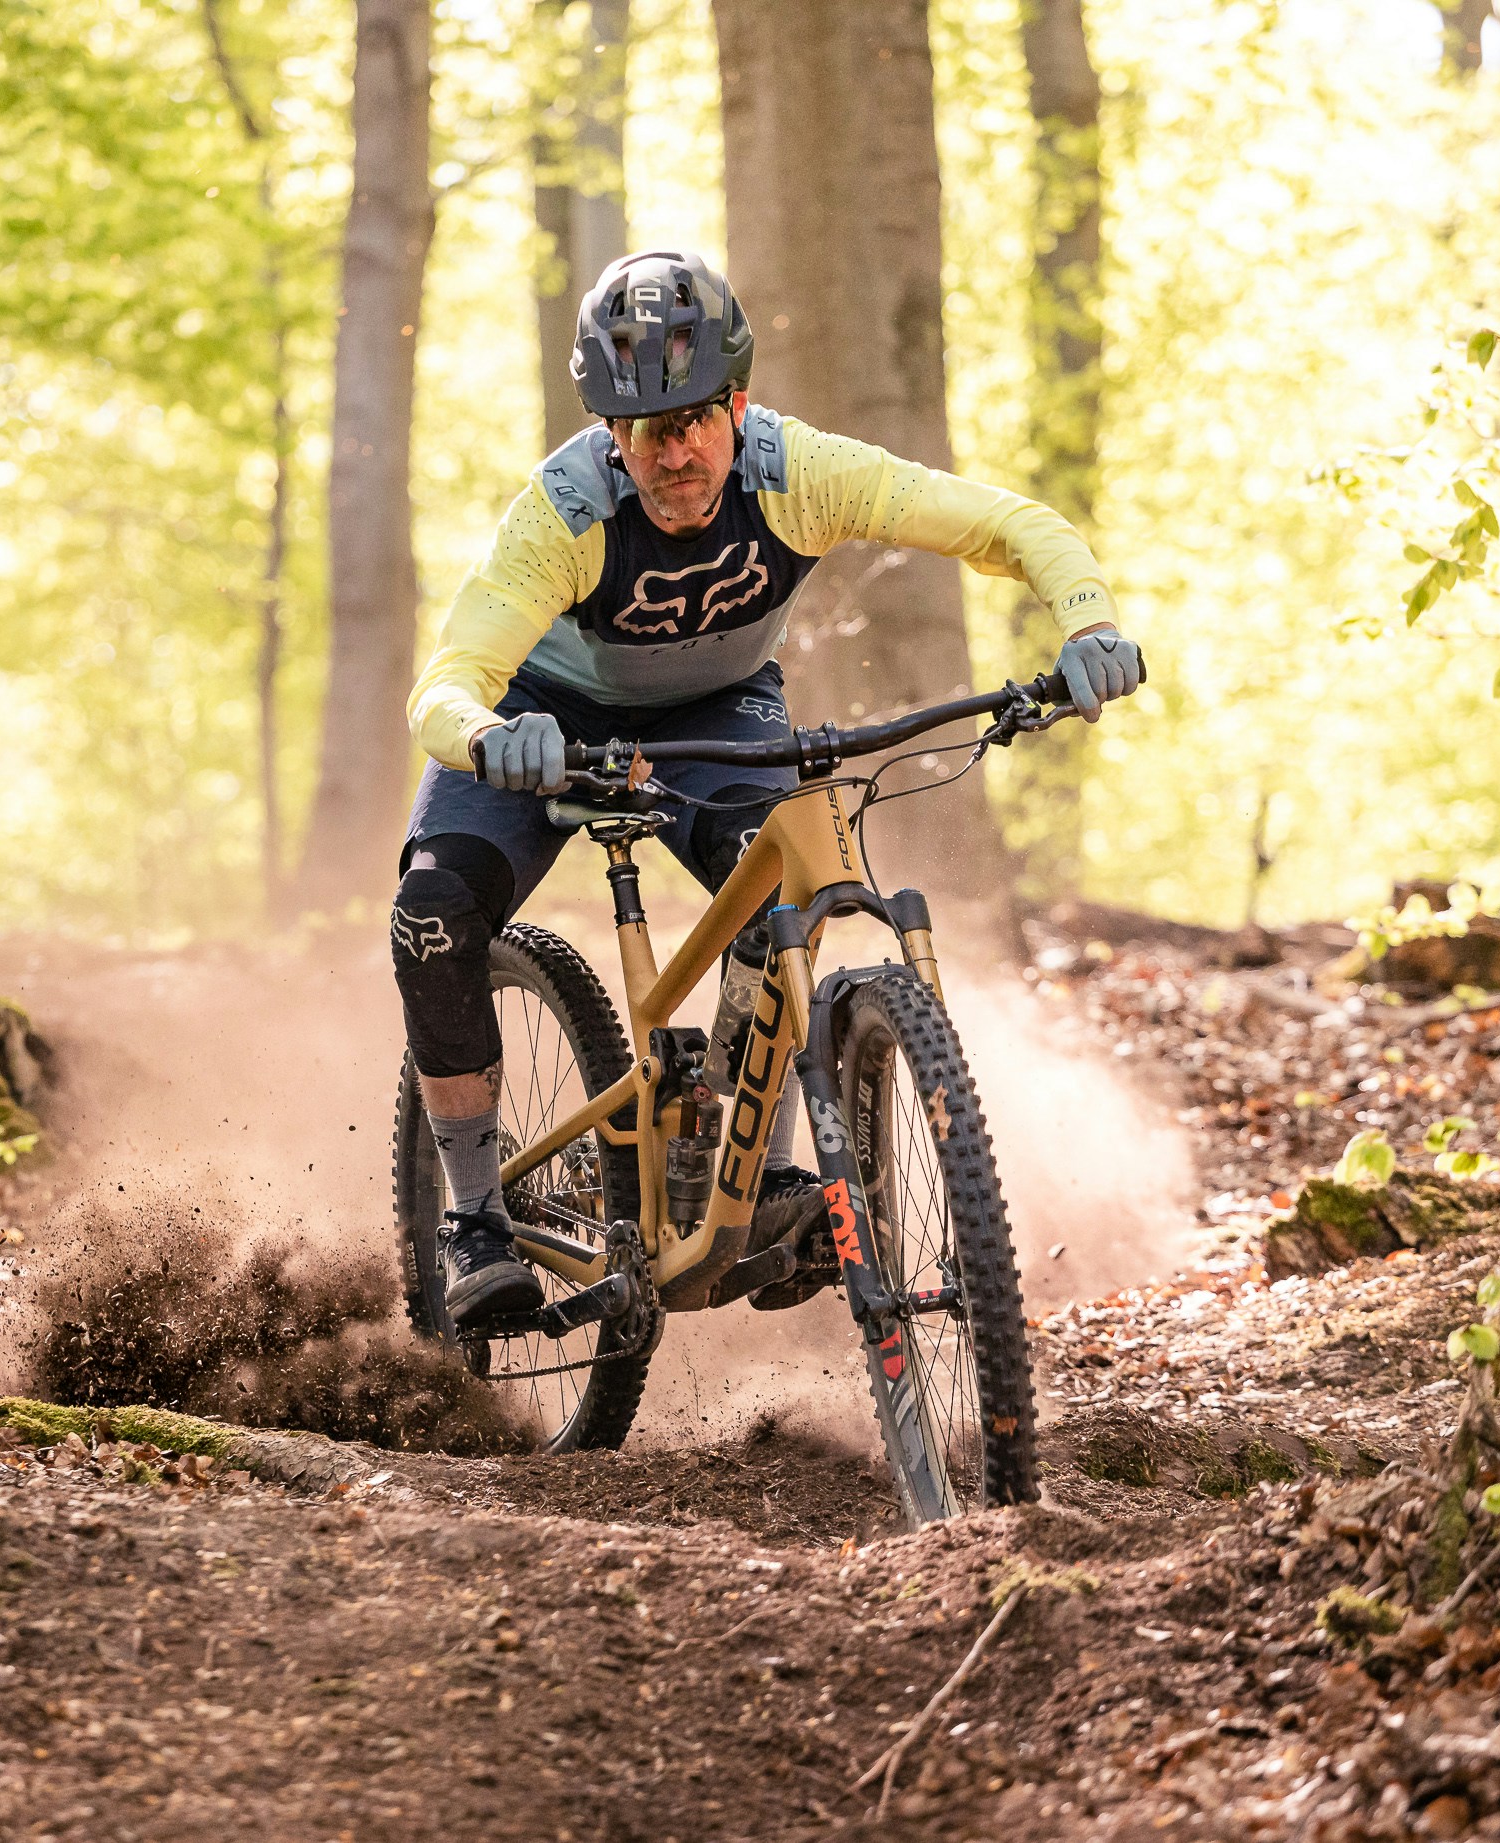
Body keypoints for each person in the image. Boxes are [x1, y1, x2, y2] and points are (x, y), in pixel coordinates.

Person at [394, 248, 1143, 1328]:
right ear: (610, 432)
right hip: (543, 716)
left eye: (697, 416)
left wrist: (1087, 620)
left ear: (737, 401)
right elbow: (445, 685)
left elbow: (1007, 524)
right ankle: (471, 1216)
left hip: (714, 709)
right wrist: (486, 735)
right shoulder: (561, 513)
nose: (677, 449)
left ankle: (751, 1177)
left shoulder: (799, 473)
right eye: (647, 429)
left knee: (782, 889)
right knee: (429, 914)